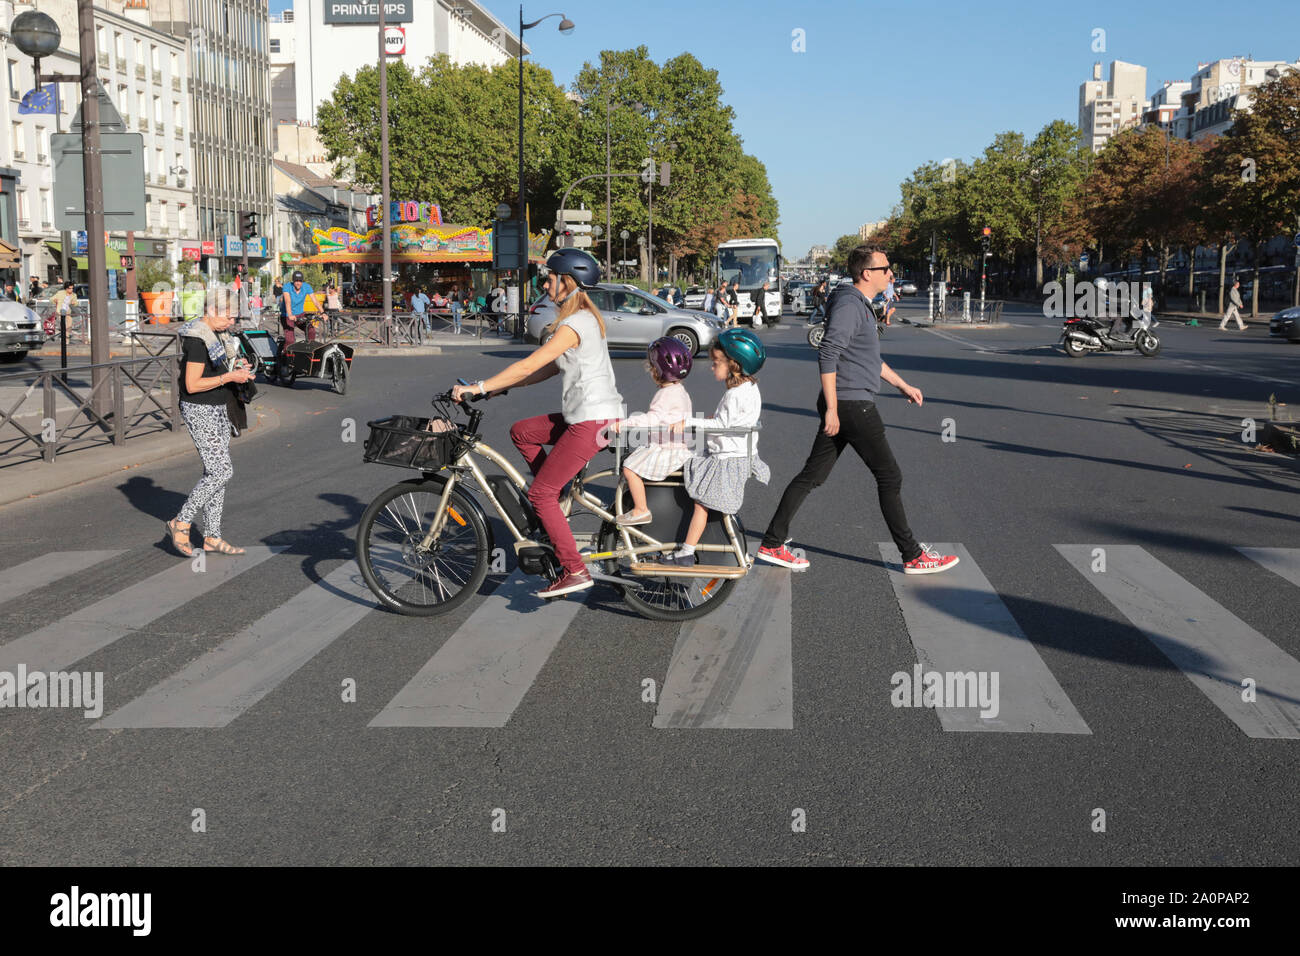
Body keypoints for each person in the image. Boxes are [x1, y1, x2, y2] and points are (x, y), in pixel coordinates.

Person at [755, 243, 959, 576]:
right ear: (867, 274)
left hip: (846, 402)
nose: (891, 274)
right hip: (851, 404)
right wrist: (833, 409)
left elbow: (869, 360)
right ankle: (912, 555)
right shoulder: (851, 305)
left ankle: (772, 542)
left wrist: (903, 385)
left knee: (812, 476)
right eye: (885, 269)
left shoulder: (859, 304)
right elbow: (828, 353)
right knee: (889, 475)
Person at [451, 249, 622, 599]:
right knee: (523, 431)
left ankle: (575, 570)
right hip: (589, 417)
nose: (546, 283)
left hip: (591, 422)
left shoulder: (575, 323)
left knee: (539, 493)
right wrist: (501, 389)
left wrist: (478, 387)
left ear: (567, 282)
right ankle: (556, 498)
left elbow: (531, 363)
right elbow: (548, 369)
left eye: (551, 278)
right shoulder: (584, 319)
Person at [653, 329, 769, 567]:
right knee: (718, 509)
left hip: (726, 459)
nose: (712, 367)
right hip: (740, 454)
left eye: (716, 362)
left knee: (701, 504)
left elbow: (723, 424)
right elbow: (732, 421)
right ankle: (735, 549)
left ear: (734, 364)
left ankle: (686, 551)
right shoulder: (749, 389)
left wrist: (690, 422)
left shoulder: (735, 394)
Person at [165, 299, 256, 558]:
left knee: (215, 472)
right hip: (200, 408)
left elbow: (219, 368)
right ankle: (180, 523)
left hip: (219, 406)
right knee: (221, 471)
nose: (232, 323)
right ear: (212, 311)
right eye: (229, 317)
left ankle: (212, 537)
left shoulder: (219, 335)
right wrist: (229, 377)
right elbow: (192, 385)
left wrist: (238, 369)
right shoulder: (197, 339)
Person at [611, 337, 695, 527]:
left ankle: (641, 510)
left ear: (657, 371)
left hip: (667, 449)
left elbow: (652, 419)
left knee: (629, 468)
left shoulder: (664, 394)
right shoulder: (680, 390)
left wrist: (625, 424)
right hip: (678, 447)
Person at [280, 270, 315, 345]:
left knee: (311, 330)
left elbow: (315, 301)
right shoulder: (287, 286)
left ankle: (309, 349)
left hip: (300, 315)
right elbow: (287, 301)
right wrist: (290, 315)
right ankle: (285, 354)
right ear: (293, 281)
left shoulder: (306, 286)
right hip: (287, 316)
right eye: (296, 281)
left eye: (300, 281)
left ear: (302, 281)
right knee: (290, 341)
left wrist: (323, 312)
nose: (298, 283)